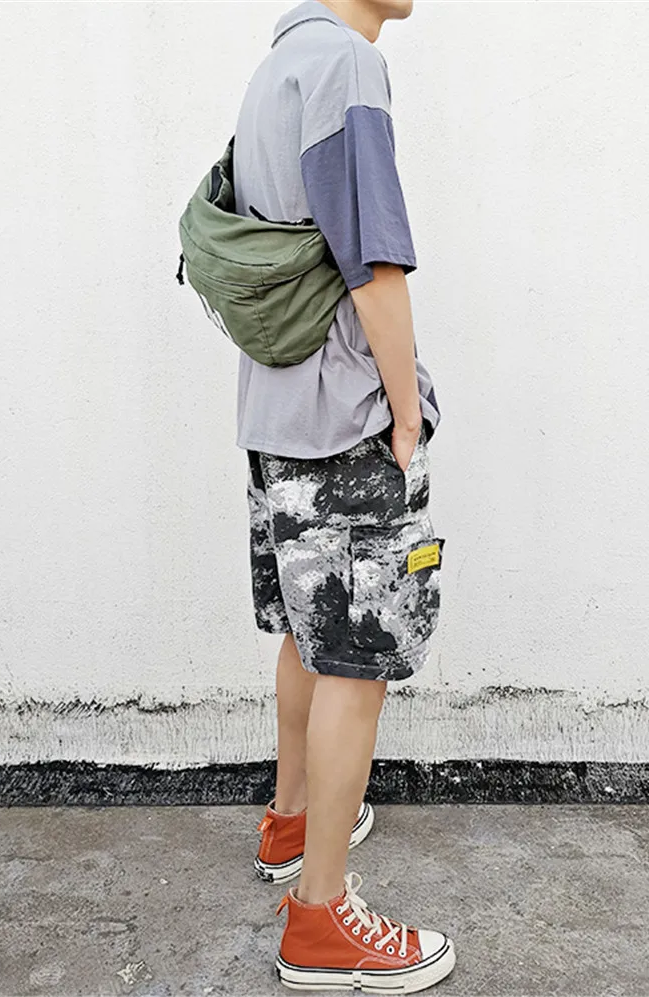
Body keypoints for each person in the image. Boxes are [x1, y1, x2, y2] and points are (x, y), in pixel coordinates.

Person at [232, 1, 456, 991]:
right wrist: (404, 414)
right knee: (356, 663)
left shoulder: (276, 68)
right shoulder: (346, 69)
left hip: (275, 416)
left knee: (307, 633)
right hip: (343, 419)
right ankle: (321, 919)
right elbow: (373, 264)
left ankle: (289, 824)